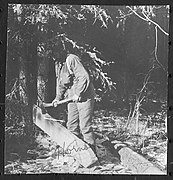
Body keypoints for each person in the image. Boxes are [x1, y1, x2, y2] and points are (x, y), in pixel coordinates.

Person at [52, 50, 97, 154]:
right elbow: (61, 83)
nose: (54, 57)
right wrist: (57, 98)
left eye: (55, 54)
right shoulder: (59, 64)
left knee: (85, 126)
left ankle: (91, 154)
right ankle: (77, 152)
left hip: (84, 96)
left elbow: (83, 77)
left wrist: (78, 93)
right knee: (71, 125)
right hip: (72, 97)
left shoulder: (72, 59)